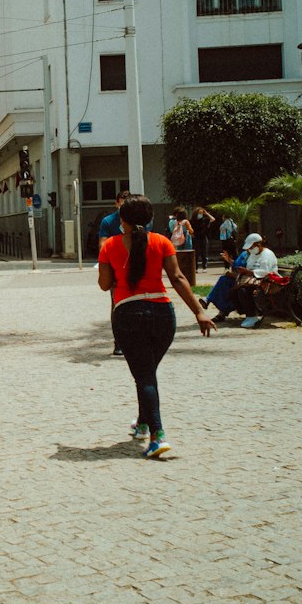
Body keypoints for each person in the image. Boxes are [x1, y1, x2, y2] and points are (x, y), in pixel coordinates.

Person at [99, 194, 214, 458]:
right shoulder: (161, 242)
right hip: (164, 315)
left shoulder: (110, 246)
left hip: (128, 313)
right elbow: (177, 277)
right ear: (150, 218)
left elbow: (105, 285)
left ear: (122, 220)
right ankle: (142, 424)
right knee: (147, 373)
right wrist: (199, 312)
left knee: (144, 375)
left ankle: (157, 436)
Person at [98, 191, 130, 357]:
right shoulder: (108, 221)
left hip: (134, 267)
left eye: (128, 202)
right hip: (116, 268)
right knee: (117, 305)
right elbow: (103, 244)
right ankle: (118, 342)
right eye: (122, 202)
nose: (124, 205)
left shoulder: (138, 219)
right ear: (116, 203)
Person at [234, 232, 279, 329]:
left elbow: (266, 271)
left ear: (258, 244)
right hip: (255, 281)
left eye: (251, 247)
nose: (250, 250)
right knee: (237, 290)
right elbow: (249, 267)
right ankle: (250, 315)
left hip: (268, 283)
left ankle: (252, 316)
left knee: (244, 291)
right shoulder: (253, 255)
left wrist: (248, 272)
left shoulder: (267, 254)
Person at [190, 205, 215, 271]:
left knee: (204, 253)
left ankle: (204, 267)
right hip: (196, 238)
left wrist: (206, 213)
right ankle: (196, 268)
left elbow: (213, 219)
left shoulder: (204, 220)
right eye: (199, 213)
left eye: (201, 213)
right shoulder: (192, 221)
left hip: (204, 238)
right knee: (196, 253)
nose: (200, 215)